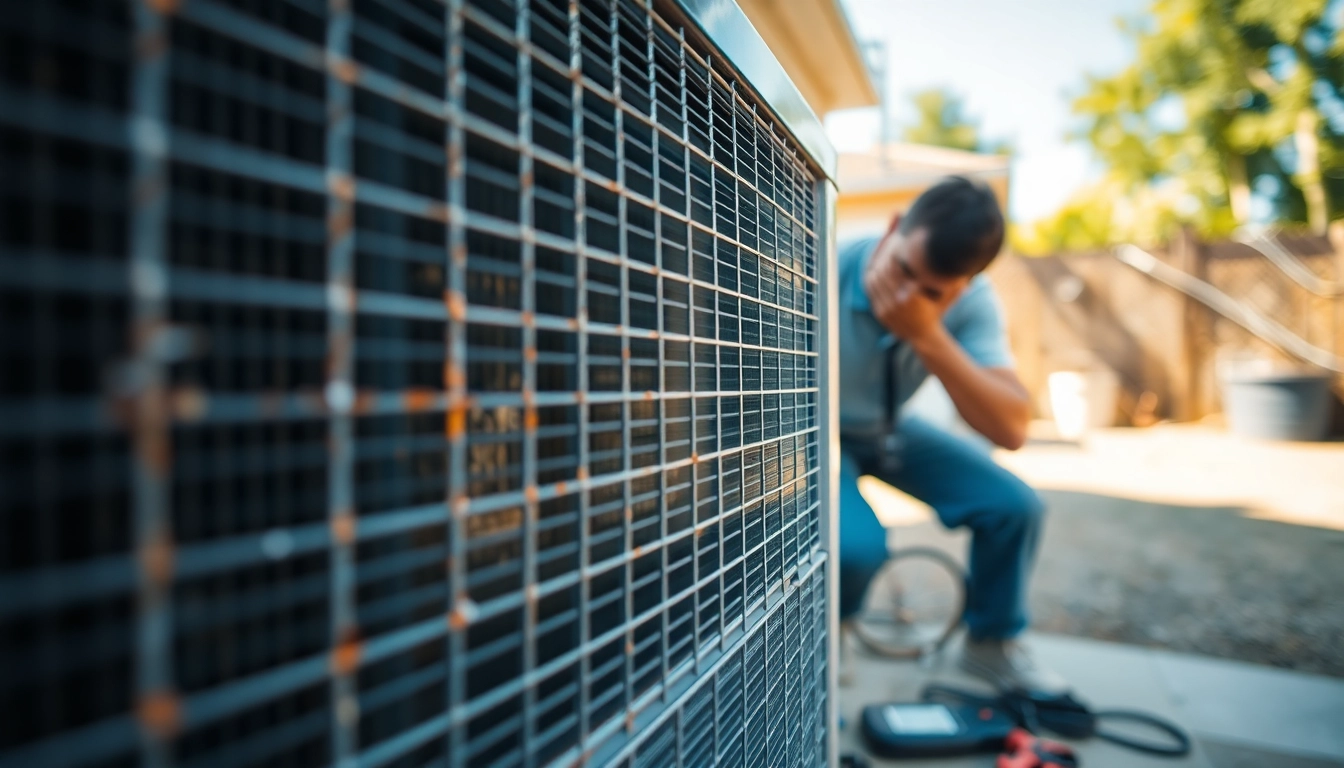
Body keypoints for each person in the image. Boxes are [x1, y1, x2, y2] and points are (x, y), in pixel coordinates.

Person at [837, 175, 1067, 696]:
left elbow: (1010, 428)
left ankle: (992, 644)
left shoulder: (972, 302)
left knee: (1014, 507)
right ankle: (832, 627)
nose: (904, 296)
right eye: (903, 270)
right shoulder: (824, 270)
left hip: (893, 429)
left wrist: (927, 334)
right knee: (856, 548)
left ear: (966, 284)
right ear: (895, 228)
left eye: (934, 293)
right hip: (819, 433)